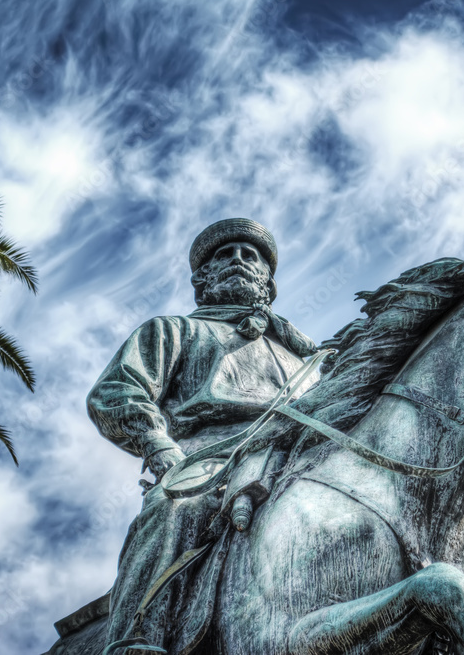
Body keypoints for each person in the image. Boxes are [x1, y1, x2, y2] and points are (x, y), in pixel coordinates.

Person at [86, 217, 318, 652]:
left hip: (301, 457)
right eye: (224, 254)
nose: (238, 259)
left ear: (268, 282)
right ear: (202, 278)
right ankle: (138, 638)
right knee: (175, 510)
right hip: (208, 459)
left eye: (250, 255)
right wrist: (161, 450)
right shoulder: (174, 330)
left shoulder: (307, 358)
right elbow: (117, 390)